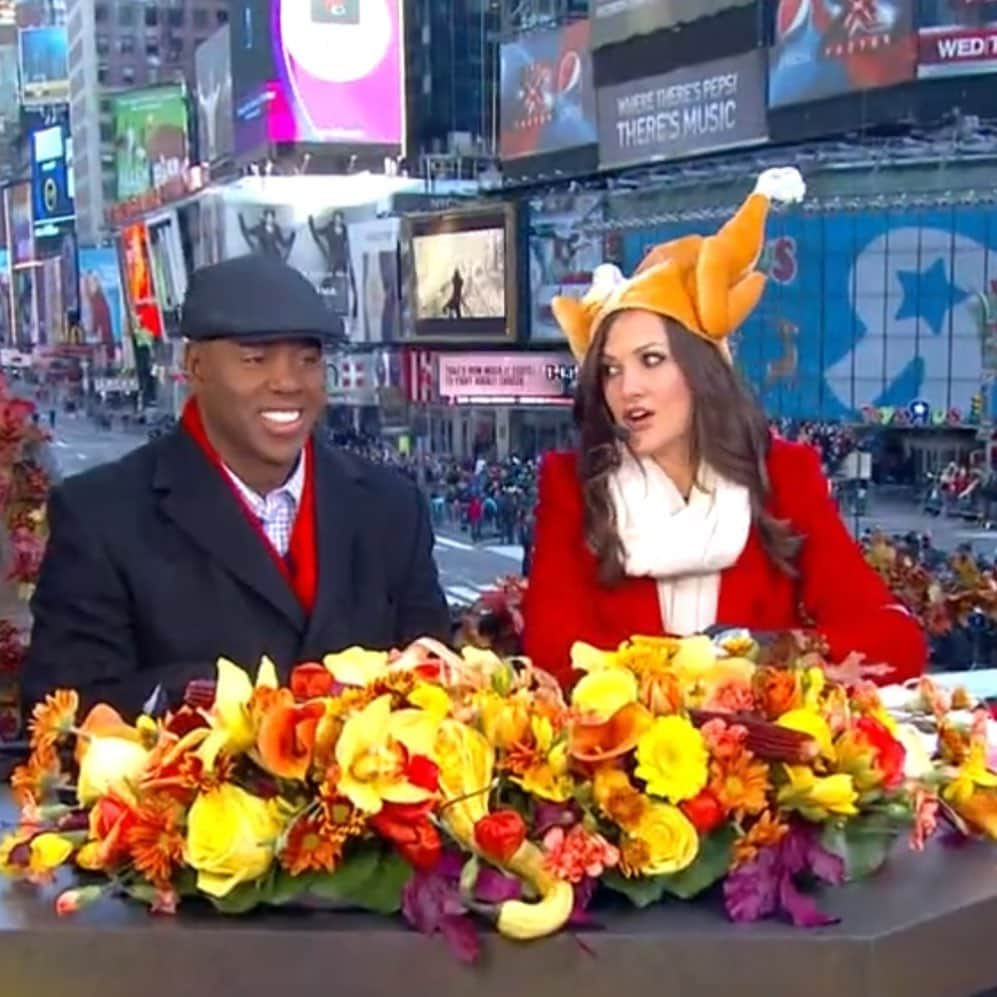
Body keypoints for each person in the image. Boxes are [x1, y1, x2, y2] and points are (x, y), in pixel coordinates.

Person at [522, 168, 927, 690]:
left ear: (702, 370)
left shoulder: (783, 474)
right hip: (623, 763)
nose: (628, 389)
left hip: (766, 757)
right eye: (611, 370)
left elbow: (893, 639)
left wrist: (761, 663)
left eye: (651, 360)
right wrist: (705, 676)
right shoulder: (572, 485)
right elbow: (554, 653)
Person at [25, 254, 451, 713]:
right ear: (196, 367)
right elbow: (65, 711)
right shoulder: (101, 516)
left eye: (308, 360)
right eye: (255, 359)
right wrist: (219, 698)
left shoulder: (392, 508)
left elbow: (436, 677)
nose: (288, 382)